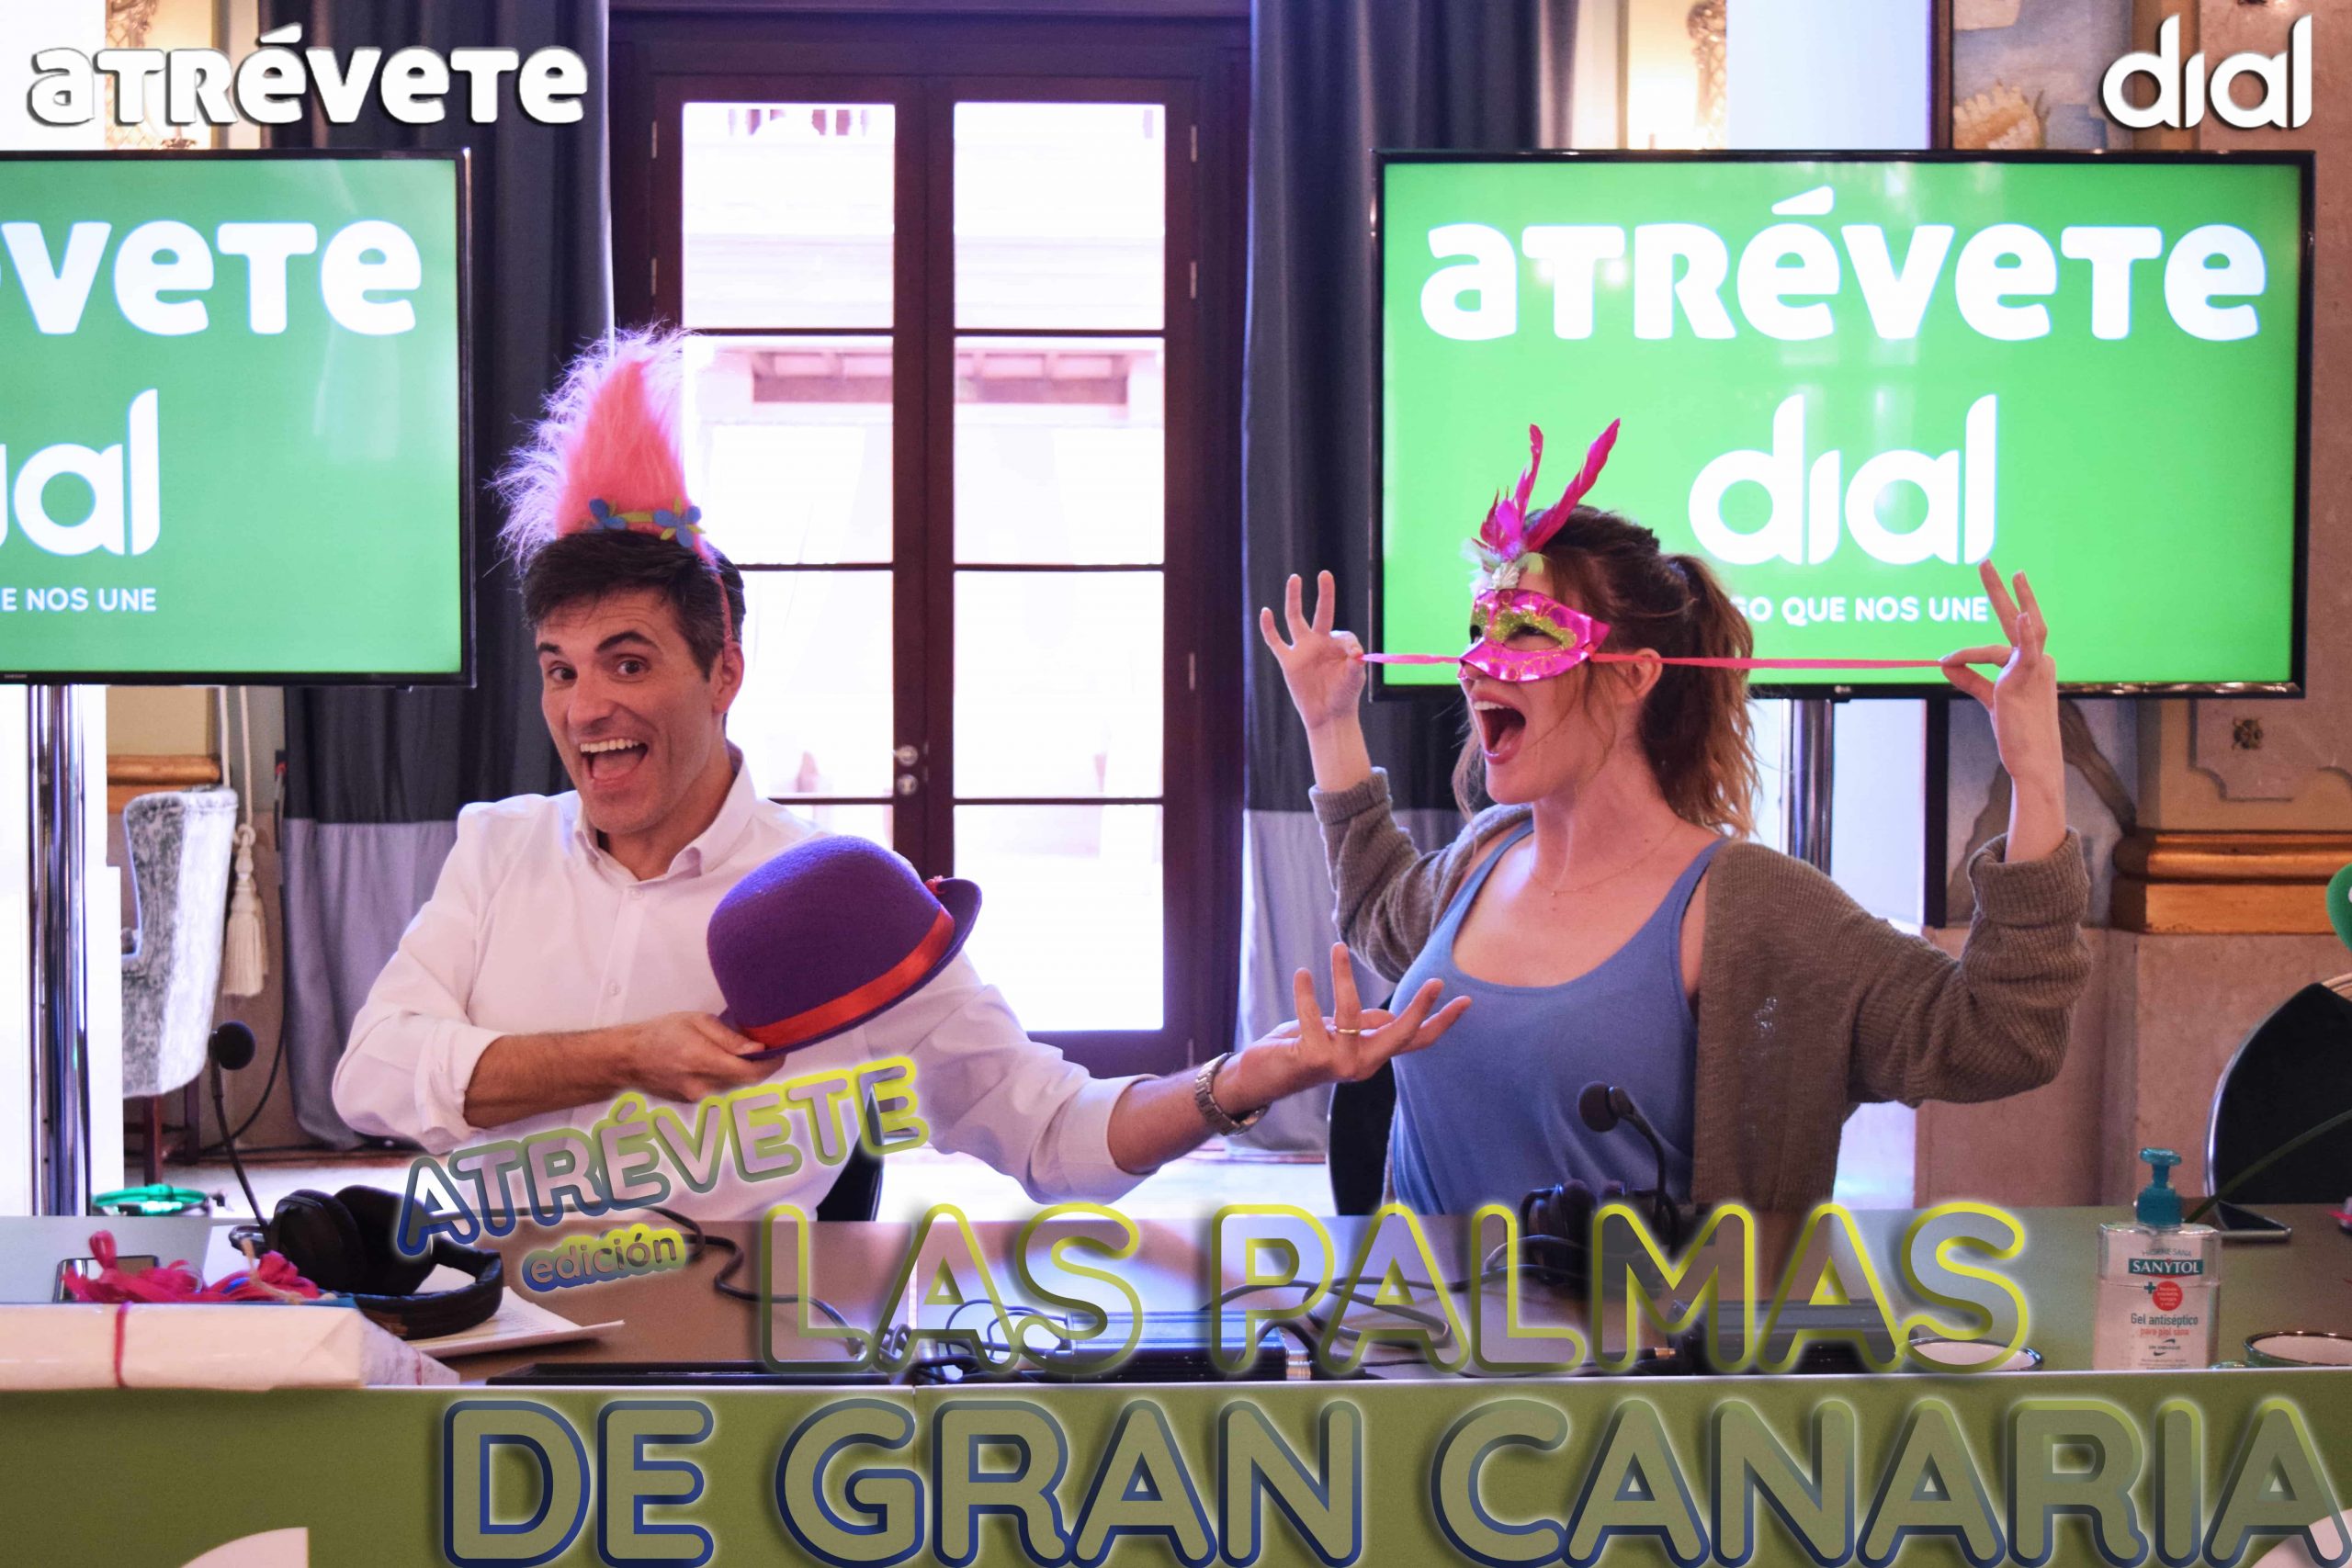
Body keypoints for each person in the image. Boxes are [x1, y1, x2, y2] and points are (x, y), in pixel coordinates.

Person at [334, 330, 1468, 1220]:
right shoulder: (498, 847)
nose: (586, 708)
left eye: (628, 663)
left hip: (726, 1354)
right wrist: (626, 1056)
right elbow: (372, 1076)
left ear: (723, 670)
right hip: (486, 1325)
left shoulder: (836, 903)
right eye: (561, 670)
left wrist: (1242, 1080)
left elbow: (1048, 1130)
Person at [1258, 423, 2090, 1215]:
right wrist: (1330, 725)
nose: (1477, 664)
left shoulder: (1752, 907)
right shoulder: (1485, 855)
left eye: (1526, 633)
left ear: (1634, 675)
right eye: (1479, 630)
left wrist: (2037, 777)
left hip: (1635, 1324)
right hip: (1418, 1318)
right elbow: (1378, 908)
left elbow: (1998, 1034)